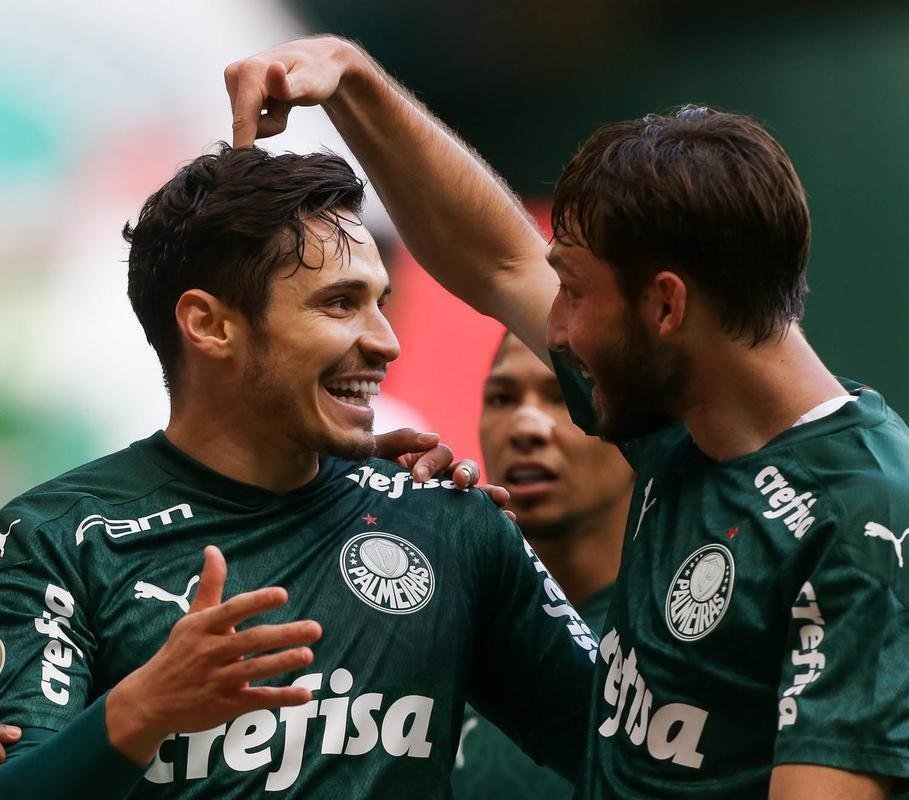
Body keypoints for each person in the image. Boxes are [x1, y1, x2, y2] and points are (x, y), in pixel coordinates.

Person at [224, 37, 909, 799]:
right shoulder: (679, 415)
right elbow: (496, 262)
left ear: (665, 306)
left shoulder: (868, 518)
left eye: (574, 293)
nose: (553, 330)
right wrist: (350, 77)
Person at [0, 146, 598, 798]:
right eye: (340, 303)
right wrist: (143, 708)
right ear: (210, 325)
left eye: (380, 302)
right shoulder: (55, 537)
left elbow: (638, 757)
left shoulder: (446, 516)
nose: (385, 340)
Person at [452, 332, 633, 799]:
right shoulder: (439, 628)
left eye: (563, 396)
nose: (525, 425)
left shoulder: (686, 636)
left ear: (639, 431)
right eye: (502, 397)